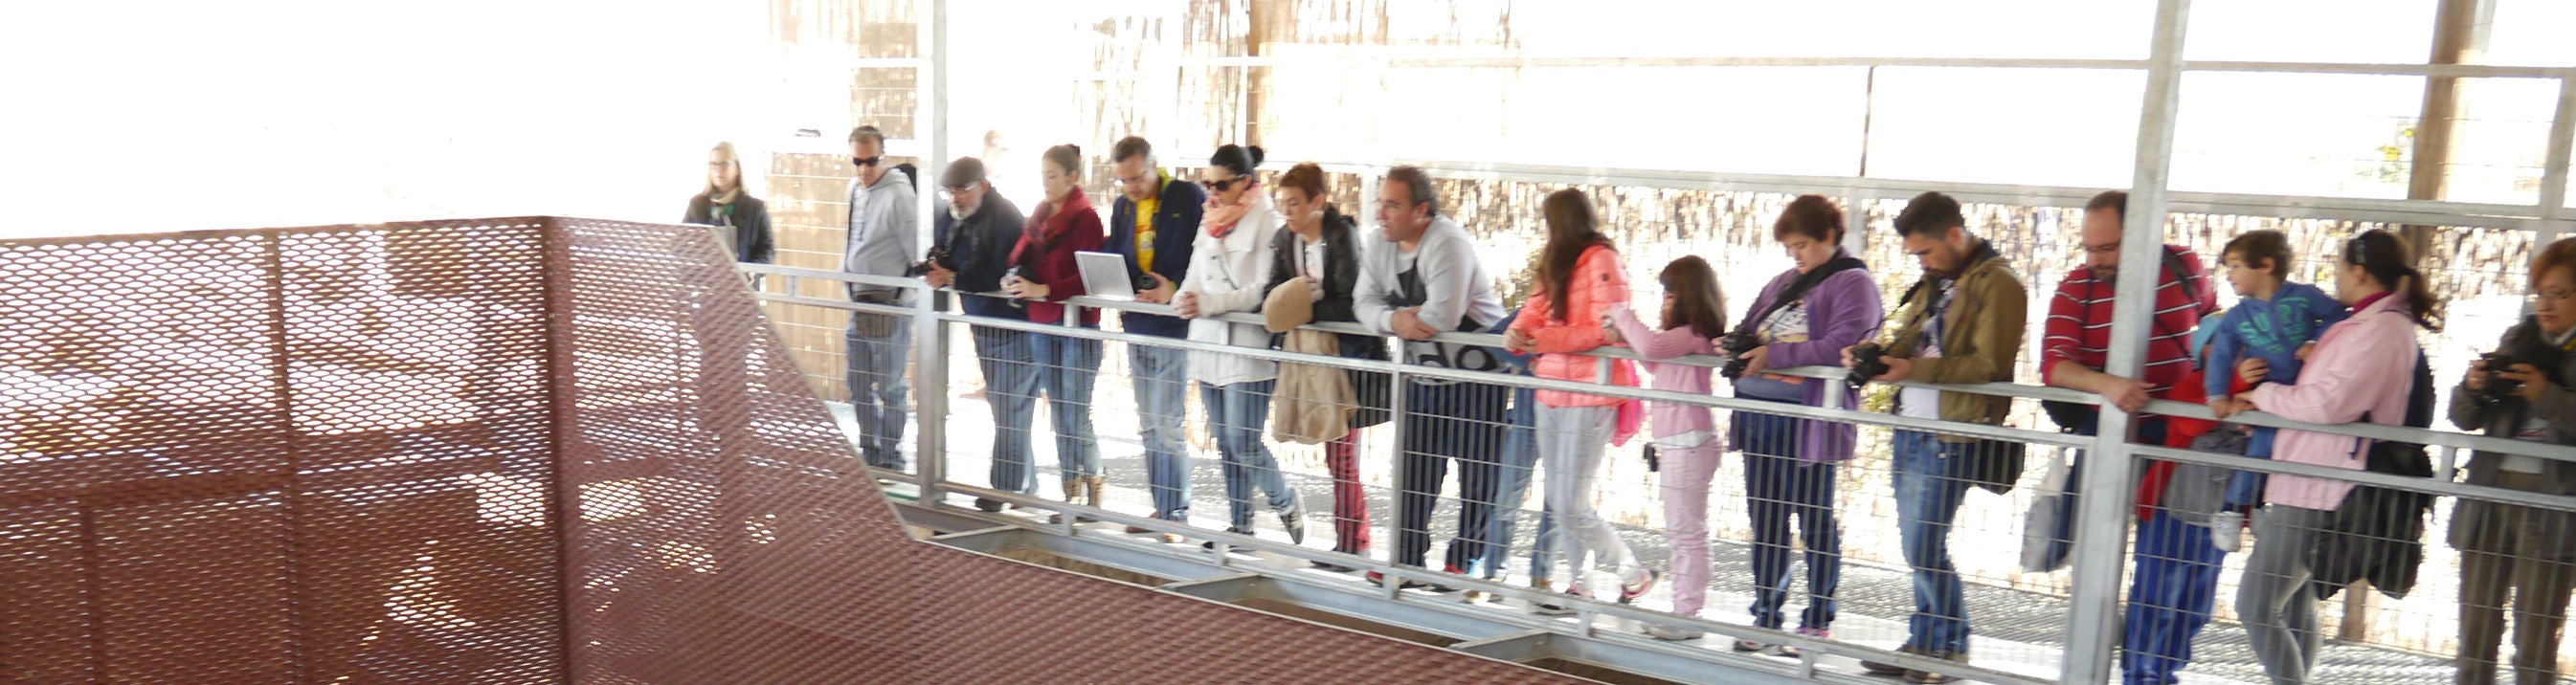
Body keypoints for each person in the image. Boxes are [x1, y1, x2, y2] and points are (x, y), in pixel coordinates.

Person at [2214, 229, 2440, 685]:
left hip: (2322, 483)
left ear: (2358, 272)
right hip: (2309, 478)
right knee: (2294, 604)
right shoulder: (2366, 324)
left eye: (2339, 267)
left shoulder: (2378, 330)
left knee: (2255, 603)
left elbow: (2327, 404)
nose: (2334, 277)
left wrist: (2265, 393)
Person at [2034, 190, 2220, 685]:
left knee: (2180, 566)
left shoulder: (2184, 267)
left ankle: (2154, 672)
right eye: (2090, 249)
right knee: (2099, 567)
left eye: (2108, 249)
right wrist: (2110, 386)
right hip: (2111, 435)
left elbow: (2213, 326)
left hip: (2183, 439)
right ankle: (2111, 665)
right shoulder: (2077, 289)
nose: (2096, 261)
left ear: (2142, 234)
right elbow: (2055, 365)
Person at [1849, 191, 2025, 683]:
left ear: (1954, 234)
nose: (1922, 262)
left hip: (1953, 431)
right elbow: (1910, 340)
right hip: (1912, 426)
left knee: (1923, 545)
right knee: (1914, 544)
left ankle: (1949, 647)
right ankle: (1924, 642)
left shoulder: (2000, 284)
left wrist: (1912, 368)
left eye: (1926, 251)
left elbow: (1988, 367)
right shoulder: (1935, 282)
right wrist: (1878, 355)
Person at [1721, 195, 1878, 653]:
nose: (1796, 255)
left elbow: (1842, 345)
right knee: (1766, 519)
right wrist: (1735, 345)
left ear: (1830, 236)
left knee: (1814, 520)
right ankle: (1766, 616)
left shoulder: (1854, 284)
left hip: (1808, 420)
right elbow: (1751, 326)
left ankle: (1817, 619)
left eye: (1803, 245)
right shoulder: (1783, 282)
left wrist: (1775, 355)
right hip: (1758, 416)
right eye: (1790, 247)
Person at [1353, 166, 1509, 588]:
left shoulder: (1448, 242)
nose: (1382, 213)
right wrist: (1394, 320)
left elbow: (1444, 315)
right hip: (1422, 375)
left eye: (1393, 205)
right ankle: (1406, 560)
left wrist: (1394, 320)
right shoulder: (1378, 244)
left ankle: (1466, 560)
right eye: (1380, 203)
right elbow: (1361, 303)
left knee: (1477, 471)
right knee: (1414, 466)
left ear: (1421, 210)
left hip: (1479, 377)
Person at [1503, 188, 1654, 607]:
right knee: (1560, 497)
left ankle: (1632, 572)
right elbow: (1532, 311)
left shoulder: (1603, 260)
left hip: (1591, 394)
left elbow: (1611, 329)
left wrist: (1542, 339)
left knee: (1570, 502)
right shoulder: (1554, 262)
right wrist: (1516, 335)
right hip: (1550, 391)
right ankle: (1581, 583)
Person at [2450, 237, 2576, 685]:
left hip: (2553, 505)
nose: (2546, 304)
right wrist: (2474, 386)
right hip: (2490, 494)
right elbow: (2462, 417)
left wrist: (2547, 396)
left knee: (2536, 642)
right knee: (2475, 635)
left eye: (2560, 294)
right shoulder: (2517, 338)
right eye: (2541, 293)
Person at [1176, 144, 1306, 545]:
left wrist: (1210, 304)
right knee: (1225, 442)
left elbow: (1261, 289)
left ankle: (1284, 501)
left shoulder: (1268, 220)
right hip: (1208, 346)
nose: (1212, 191)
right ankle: (1240, 525)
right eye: (1207, 183)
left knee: (1242, 439)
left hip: (1248, 348)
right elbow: (1194, 273)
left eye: (1221, 184)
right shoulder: (1208, 219)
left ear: (1245, 181)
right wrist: (1182, 298)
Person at [1265, 162, 1390, 564]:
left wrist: (1306, 304)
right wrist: (1300, 299)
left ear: (1318, 202)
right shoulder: (1285, 239)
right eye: (1283, 203)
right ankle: (1350, 537)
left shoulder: (1343, 237)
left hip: (1347, 360)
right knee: (1332, 451)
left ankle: (1354, 541)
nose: (1288, 212)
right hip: (1308, 359)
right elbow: (1272, 293)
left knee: (1342, 452)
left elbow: (1353, 305)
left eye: (1295, 203)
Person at [2199, 230, 2348, 552]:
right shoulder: (2237, 316)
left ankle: (2264, 509)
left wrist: (2315, 342)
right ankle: (2233, 509)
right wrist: (2217, 395)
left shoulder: (2306, 297)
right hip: (2268, 401)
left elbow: (2339, 315)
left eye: (2236, 266)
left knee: (2295, 457)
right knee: (2263, 449)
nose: (2230, 276)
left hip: (2307, 400)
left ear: (2265, 265)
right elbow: (2222, 355)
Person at [1603, 255, 1728, 641]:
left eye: (1671, 293)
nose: (1665, 301)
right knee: (1681, 532)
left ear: (1689, 295)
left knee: (1687, 532)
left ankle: (1688, 614)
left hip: (1689, 443)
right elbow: (1656, 360)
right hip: (1678, 443)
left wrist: (1621, 314)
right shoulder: (1686, 338)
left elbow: (1653, 347)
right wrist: (1627, 335)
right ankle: (1684, 610)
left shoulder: (1693, 334)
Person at [922, 158, 1039, 513]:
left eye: (962, 191)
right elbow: (947, 252)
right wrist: (937, 265)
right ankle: (1025, 487)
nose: (955, 199)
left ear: (983, 187)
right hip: (984, 326)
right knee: (1008, 409)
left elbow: (1002, 274)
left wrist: (954, 279)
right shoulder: (951, 217)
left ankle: (1004, 490)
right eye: (950, 192)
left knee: (1010, 409)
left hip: (1016, 327)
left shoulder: (1006, 217)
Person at [1104, 136, 1204, 537]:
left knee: (1167, 422)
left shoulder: (1186, 197)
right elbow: (1117, 249)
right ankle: (1162, 507)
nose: (1132, 187)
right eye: (1124, 181)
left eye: (1137, 177)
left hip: (1173, 324)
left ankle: (1177, 511)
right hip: (1137, 320)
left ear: (1154, 166)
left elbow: (1204, 253)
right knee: (1148, 423)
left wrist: (1177, 288)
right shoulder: (1123, 206)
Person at [1001, 144, 1108, 516]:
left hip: (1078, 326)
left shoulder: (1086, 219)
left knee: (1075, 411)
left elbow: (1086, 276)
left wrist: (1045, 290)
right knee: (1059, 410)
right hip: (1043, 323)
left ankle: (1093, 477)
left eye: (1052, 176)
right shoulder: (1040, 216)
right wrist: (1015, 280)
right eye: (1042, 176)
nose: (1046, 184)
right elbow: (1024, 257)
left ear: (1072, 178)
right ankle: (1071, 492)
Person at [842, 125, 919, 472]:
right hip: (859, 303)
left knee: (889, 384)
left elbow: (915, 254)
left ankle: (890, 454)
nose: (864, 169)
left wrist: (899, 297)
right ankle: (870, 450)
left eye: (871, 161)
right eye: (857, 161)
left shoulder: (899, 195)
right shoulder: (853, 190)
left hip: (890, 303)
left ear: (883, 157)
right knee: (858, 382)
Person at [684, 141, 775, 268]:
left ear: (737, 168)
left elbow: (767, 250)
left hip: (744, 283)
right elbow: (681, 244)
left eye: (724, 164)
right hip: (703, 283)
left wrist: (755, 270)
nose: (718, 170)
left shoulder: (755, 208)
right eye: (713, 164)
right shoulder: (697, 205)